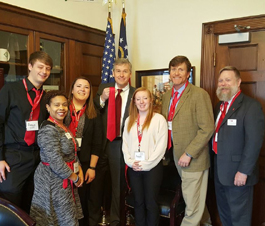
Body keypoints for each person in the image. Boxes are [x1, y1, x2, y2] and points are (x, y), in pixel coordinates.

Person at [0, 51, 53, 213]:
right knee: (10, 208)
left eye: (48, 68)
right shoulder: (10, 90)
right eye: (40, 66)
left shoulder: (46, 97)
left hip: (37, 158)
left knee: (31, 207)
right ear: (30, 67)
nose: (44, 71)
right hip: (13, 158)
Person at [161, 56, 214, 226]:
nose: (176, 73)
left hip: (193, 159)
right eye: (173, 69)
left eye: (181, 69)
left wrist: (189, 153)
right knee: (196, 200)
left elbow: (207, 128)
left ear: (188, 73)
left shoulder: (199, 94)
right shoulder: (167, 95)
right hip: (173, 157)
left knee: (191, 208)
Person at [212, 66, 265, 226]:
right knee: (225, 215)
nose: (223, 84)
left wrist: (243, 171)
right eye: (221, 80)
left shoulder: (251, 106)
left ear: (238, 82)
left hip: (238, 174)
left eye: (228, 80)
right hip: (219, 172)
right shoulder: (219, 107)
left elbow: (254, 142)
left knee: (239, 219)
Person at [92, 58, 136, 226]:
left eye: (125, 71)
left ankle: (116, 219)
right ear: (113, 73)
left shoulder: (135, 92)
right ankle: (95, 218)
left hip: (119, 144)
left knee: (118, 185)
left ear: (130, 74)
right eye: (118, 71)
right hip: (100, 143)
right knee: (97, 183)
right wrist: (102, 99)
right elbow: (94, 109)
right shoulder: (104, 88)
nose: (121, 74)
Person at [30, 90, 84, 226]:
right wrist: (74, 177)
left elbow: (72, 152)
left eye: (64, 105)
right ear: (48, 107)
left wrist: (79, 170)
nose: (61, 108)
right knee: (58, 219)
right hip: (52, 181)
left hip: (66, 178)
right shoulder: (48, 130)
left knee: (66, 217)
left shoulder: (62, 126)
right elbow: (55, 161)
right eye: (57, 105)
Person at [122, 87, 167, 226]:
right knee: (138, 202)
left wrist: (146, 164)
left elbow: (161, 146)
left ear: (151, 100)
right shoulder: (130, 120)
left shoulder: (159, 119)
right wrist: (130, 162)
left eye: (145, 98)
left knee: (150, 202)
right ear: (134, 102)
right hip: (134, 168)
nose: (142, 102)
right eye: (138, 99)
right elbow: (125, 144)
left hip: (152, 169)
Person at [65, 77, 103, 226]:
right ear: (72, 90)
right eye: (79, 86)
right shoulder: (63, 109)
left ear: (90, 92)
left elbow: (97, 143)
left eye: (86, 87)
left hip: (86, 163)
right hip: (64, 163)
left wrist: (92, 168)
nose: (82, 89)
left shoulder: (94, 113)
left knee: (82, 202)